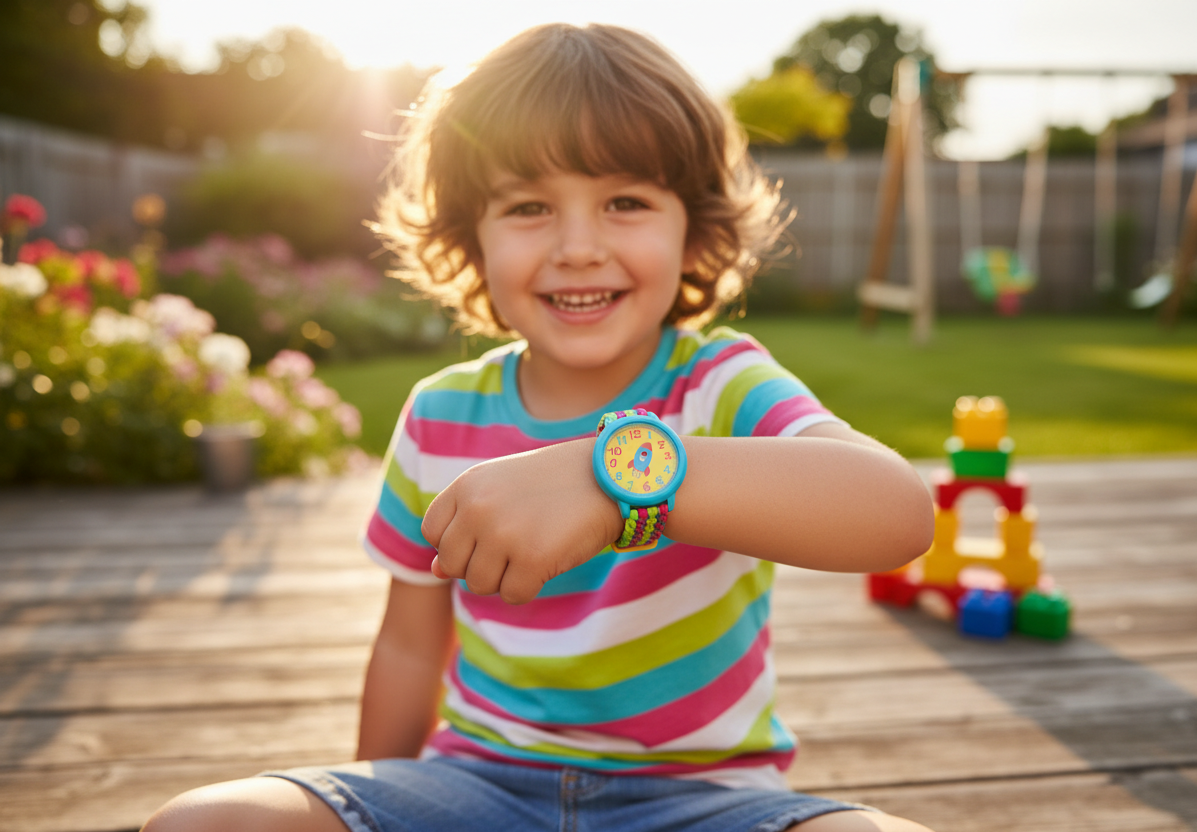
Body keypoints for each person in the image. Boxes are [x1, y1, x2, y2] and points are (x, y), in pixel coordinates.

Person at [143, 23, 935, 832]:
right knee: (203, 823)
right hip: (478, 787)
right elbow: (410, 647)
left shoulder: (721, 384)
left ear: (693, 231)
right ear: (471, 240)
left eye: (626, 202)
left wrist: (613, 480)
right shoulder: (439, 414)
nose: (578, 248)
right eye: (528, 207)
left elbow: (897, 513)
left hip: (707, 802)